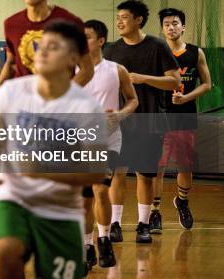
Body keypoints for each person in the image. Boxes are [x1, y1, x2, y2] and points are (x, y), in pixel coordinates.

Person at [0, 20, 106, 279]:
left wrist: (43, 170)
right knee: (3, 253)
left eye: (53, 47)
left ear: (72, 59)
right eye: (41, 46)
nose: (42, 52)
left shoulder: (87, 107)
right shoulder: (11, 92)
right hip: (13, 198)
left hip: (61, 209)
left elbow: (96, 171)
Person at [104, 0, 180, 244]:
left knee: (145, 175)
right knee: (117, 173)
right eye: (118, 17)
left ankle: (143, 225)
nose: (119, 22)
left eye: (124, 17)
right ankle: (114, 223)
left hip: (149, 120)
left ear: (138, 20)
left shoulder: (157, 46)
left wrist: (143, 79)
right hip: (118, 122)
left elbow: (173, 81)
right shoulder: (112, 50)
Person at [81, 19, 138, 270]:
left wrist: (120, 115)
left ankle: (104, 239)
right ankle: (86, 246)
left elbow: (133, 100)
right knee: (83, 200)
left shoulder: (117, 70)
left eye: (88, 37)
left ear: (101, 40)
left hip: (108, 140)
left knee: (100, 190)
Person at [149, 8, 212, 233]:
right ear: (162, 28)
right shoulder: (155, 53)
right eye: (166, 24)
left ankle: (182, 201)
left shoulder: (195, 53)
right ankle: (154, 213)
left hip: (184, 117)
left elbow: (207, 84)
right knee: (155, 167)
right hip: (159, 116)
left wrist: (186, 97)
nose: (171, 27)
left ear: (183, 27)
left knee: (185, 167)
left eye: (175, 23)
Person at [0, 0, 93, 89]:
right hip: (24, 102)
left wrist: (63, 97)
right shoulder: (11, 24)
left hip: (56, 103)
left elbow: (87, 69)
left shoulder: (70, 22)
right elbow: (11, 63)